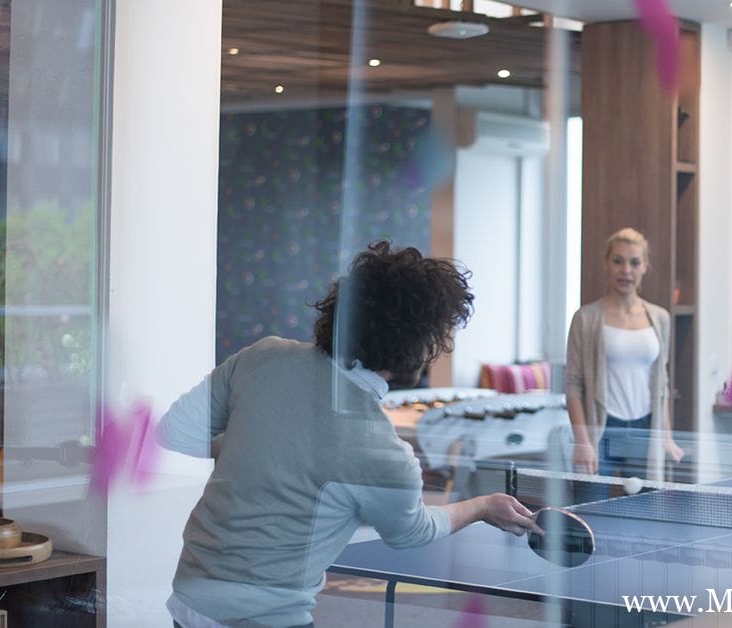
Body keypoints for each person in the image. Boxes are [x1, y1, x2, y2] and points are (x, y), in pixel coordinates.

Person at [158, 241, 541, 627]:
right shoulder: (380, 450)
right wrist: (482, 506)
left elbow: (174, 432)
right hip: (266, 616)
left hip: (190, 598)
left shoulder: (262, 356)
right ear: (420, 344)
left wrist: (247, 442)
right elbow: (412, 532)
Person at [564, 227, 684, 493]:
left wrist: (666, 436)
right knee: (591, 513)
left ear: (645, 267)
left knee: (645, 515)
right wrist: (582, 441)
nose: (626, 270)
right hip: (602, 431)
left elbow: (661, 384)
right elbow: (572, 383)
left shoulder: (660, 318)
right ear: (607, 263)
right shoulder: (585, 318)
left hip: (644, 430)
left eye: (634, 262)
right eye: (618, 261)